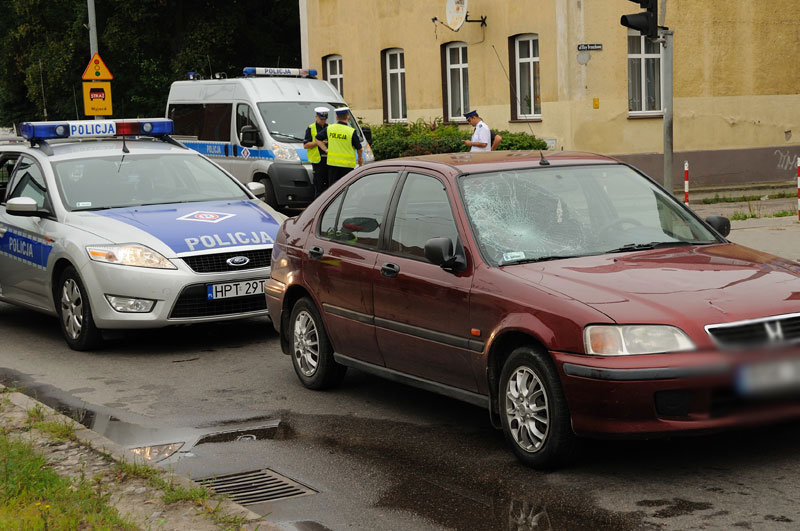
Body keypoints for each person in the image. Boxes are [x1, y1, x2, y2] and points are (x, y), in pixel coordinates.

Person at [316, 106, 364, 186]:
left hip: (333, 165)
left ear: (337, 117)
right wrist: (360, 159)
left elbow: (317, 139)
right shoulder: (351, 131)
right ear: (348, 117)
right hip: (347, 166)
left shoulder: (329, 128)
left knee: (333, 188)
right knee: (345, 188)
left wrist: (326, 150)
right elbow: (359, 149)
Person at [304, 106, 329, 197]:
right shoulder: (311, 128)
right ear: (316, 117)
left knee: (330, 186)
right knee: (319, 186)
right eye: (321, 119)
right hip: (318, 162)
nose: (323, 121)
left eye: (325, 119)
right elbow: (306, 145)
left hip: (329, 160)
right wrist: (318, 143)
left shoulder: (330, 128)